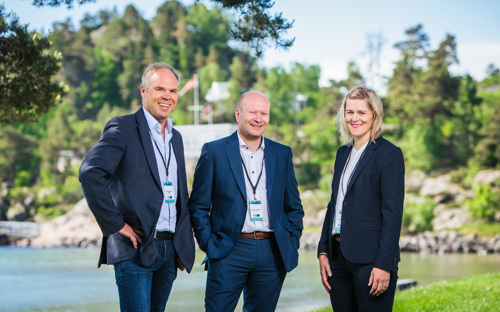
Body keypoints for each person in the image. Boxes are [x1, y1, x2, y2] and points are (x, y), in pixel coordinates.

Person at [79, 62, 195, 312]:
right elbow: (90, 173)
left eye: (173, 91)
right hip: (135, 246)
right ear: (144, 91)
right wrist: (116, 225)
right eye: (160, 89)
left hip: (169, 248)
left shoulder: (176, 137)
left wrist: (182, 241)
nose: (167, 96)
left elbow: (179, 193)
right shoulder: (122, 128)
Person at [188, 91, 304, 312]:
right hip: (228, 250)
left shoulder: (282, 153)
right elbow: (198, 206)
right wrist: (209, 244)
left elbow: (294, 207)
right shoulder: (214, 152)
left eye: (264, 113)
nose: (258, 118)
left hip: (272, 251)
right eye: (252, 112)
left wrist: (292, 239)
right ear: (238, 114)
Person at [317, 86, 405, 312]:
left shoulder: (389, 154)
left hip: (371, 262)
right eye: (349, 112)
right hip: (337, 259)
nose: (354, 118)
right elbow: (334, 204)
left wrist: (384, 264)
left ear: (374, 116)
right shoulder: (342, 154)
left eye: (361, 113)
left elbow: (392, 214)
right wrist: (323, 251)